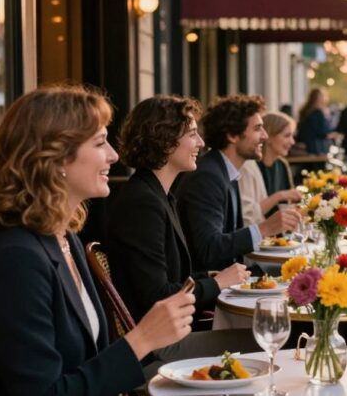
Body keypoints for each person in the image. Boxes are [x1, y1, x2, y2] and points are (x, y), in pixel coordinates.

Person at [0, 85, 195, 396]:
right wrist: (141, 339)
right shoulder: (15, 261)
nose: (114, 155)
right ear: (54, 158)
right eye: (100, 143)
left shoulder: (63, 238)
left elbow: (85, 367)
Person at [104, 95, 259, 373]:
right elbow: (158, 296)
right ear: (163, 139)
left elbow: (169, 279)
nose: (200, 143)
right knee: (266, 340)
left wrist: (206, 278)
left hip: (171, 336)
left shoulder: (161, 195)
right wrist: (218, 283)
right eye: (191, 134)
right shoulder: (143, 202)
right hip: (157, 349)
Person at [174, 94, 300, 272]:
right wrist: (265, 228)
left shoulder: (225, 170)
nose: (264, 136)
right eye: (257, 129)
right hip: (208, 288)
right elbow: (210, 249)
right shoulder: (208, 176)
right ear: (233, 135)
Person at [239, 111, 301, 226]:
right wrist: (280, 195)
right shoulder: (249, 167)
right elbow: (248, 214)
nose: (292, 142)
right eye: (287, 136)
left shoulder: (282, 165)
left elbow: (289, 206)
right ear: (270, 137)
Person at [296, 87, 333, 155]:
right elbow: (322, 131)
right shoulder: (318, 112)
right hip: (315, 148)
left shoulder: (305, 110)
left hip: (303, 145)